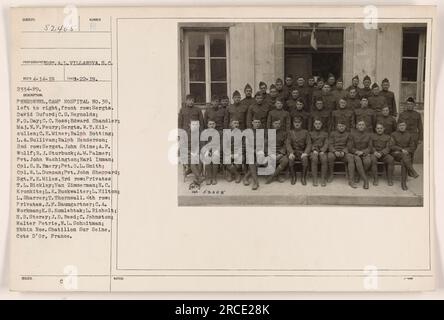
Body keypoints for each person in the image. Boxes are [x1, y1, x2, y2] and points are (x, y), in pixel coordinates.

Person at [391, 121, 419, 190]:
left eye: (403, 125)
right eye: (400, 125)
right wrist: (401, 149)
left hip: (405, 155)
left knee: (404, 161)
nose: (402, 127)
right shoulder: (393, 134)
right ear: (398, 126)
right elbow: (391, 146)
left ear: (405, 126)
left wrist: (406, 151)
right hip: (396, 153)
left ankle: (403, 183)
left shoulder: (409, 135)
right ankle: (412, 171)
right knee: (405, 158)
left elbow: (412, 147)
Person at [327, 121, 356, 187]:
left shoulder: (348, 134)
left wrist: (344, 151)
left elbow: (349, 145)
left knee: (351, 158)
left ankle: (351, 180)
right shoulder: (332, 133)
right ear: (337, 127)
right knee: (330, 156)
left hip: (344, 153)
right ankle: (331, 174)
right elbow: (330, 144)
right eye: (340, 126)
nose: (341, 128)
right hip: (334, 152)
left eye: (343, 126)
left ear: (345, 127)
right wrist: (334, 151)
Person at [347, 120, 373, 189]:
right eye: (359, 125)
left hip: (364, 153)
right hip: (355, 154)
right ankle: (365, 181)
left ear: (365, 126)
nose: (361, 126)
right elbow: (350, 147)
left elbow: (370, 147)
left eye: (362, 125)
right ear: (356, 126)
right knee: (357, 159)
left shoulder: (369, 135)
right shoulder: (352, 134)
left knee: (368, 162)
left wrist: (363, 152)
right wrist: (356, 152)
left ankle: (359, 174)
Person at [286, 116, 311, 185]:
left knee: (305, 159)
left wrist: (305, 153)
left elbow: (309, 144)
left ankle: (303, 178)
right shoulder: (290, 132)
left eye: (298, 122)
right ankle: (293, 177)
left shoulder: (305, 132)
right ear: (293, 123)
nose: (297, 124)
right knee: (291, 159)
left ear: (301, 123)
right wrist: (291, 152)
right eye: (295, 122)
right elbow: (288, 143)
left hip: (302, 152)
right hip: (293, 151)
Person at [398, 97, 423, 162]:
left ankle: (409, 169)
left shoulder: (417, 114)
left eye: (411, 104)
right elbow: (398, 126)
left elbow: (420, 127)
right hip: (404, 136)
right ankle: (406, 170)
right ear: (406, 105)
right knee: (405, 153)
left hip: (414, 137)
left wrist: (420, 138)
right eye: (408, 104)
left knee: (412, 153)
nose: (409, 106)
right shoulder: (402, 114)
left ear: (414, 105)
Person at [243, 117, 265, 190]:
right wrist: (253, 150)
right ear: (252, 123)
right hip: (250, 150)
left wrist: (258, 150)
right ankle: (256, 182)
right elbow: (247, 144)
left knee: (261, 158)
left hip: (259, 150)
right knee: (251, 158)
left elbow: (263, 144)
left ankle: (246, 177)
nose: (257, 124)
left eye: (258, 122)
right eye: (255, 122)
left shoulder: (263, 131)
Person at [265, 119, 289, 184]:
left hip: (280, 153)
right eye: (275, 123)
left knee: (285, 160)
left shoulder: (284, 133)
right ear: (272, 124)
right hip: (270, 153)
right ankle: (277, 176)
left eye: (279, 124)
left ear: (280, 125)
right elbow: (265, 145)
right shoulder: (267, 133)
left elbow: (285, 144)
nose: (277, 125)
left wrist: (281, 153)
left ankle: (272, 177)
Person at [309, 118, 329, 187]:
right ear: (314, 125)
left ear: (321, 124)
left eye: (319, 124)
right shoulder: (310, 133)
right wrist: (313, 150)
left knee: (324, 159)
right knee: (314, 159)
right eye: (316, 124)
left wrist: (323, 150)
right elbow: (309, 143)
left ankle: (323, 179)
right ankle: (315, 179)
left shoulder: (325, 133)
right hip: (313, 151)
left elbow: (326, 143)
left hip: (322, 151)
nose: (318, 125)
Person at [203, 119, 221, 185]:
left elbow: (220, 143)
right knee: (207, 158)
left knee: (215, 158)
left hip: (216, 149)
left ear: (215, 125)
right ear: (207, 125)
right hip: (207, 150)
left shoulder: (219, 133)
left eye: (213, 124)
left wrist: (216, 151)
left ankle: (214, 178)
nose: (211, 125)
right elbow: (203, 143)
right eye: (210, 124)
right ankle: (208, 177)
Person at [226, 118, 243, 183]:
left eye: (237, 123)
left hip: (239, 152)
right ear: (231, 124)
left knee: (239, 158)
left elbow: (244, 145)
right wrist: (229, 154)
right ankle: (234, 173)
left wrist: (238, 153)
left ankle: (236, 174)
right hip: (229, 152)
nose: (236, 125)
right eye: (234, 123)